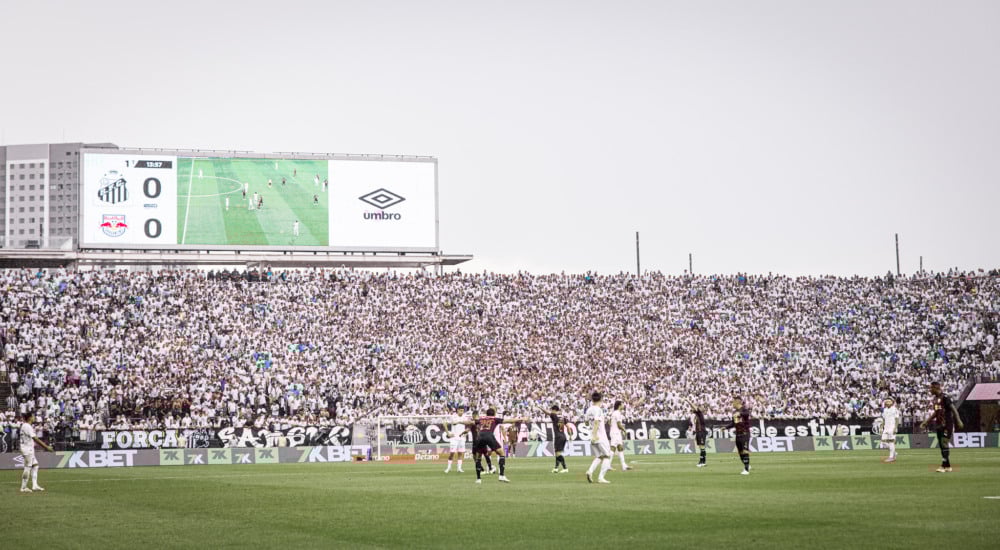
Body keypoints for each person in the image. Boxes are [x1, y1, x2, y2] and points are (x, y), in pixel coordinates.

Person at [471, 407, 526, 484]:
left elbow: (470, 422)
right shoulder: (494, 419)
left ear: (486, 414)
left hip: (480, 437)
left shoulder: (481, 419)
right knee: (502, 453)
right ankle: (501, 475)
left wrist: (457, 422)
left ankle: (478, 479)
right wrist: (520, 419)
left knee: (478, 457)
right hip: (489, 436)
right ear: (494, 414)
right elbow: (508, 420)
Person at [920, 381, 964, 473]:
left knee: (944, 442)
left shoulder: (945, 397)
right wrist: (926, 422)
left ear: (936, 388)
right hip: (939, 424)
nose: (930, 390)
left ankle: (943, 466)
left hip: (947, 424)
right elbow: (936, 413)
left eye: (931, 388)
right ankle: (948, 466)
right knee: (941, 445)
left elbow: (953, 409)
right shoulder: (936, 399)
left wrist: (958, 420)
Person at [19, 412, 53, 493]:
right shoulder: (27, 426)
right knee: (27, 467)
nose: (34, 418)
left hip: (28, 448)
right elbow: (35, 438)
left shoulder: (26, 426)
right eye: (33, 416)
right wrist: (46, 447)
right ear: (30, 418)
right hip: (27, 449)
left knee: (35, 466)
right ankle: (23, 488)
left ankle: (34, 486)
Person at [585, 391, 612, 484]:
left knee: (599, 456)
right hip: (599, 437)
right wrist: (595, 434)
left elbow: (586, 423)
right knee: (607, 456)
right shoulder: (598, 410)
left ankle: (590, 471)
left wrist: (592, 434)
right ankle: (601, 478)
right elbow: (596, 422)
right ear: (601, 399)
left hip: (591, 437)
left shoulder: (588, 410)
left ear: (592, 399)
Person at [538, 404, 568, 473]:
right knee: (557, 453)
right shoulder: (562, 417)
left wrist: (540, 407)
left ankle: (565, 468)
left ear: (554, 410)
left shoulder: (554, 415)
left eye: (552, 410)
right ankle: (556, 468)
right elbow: (568, 426)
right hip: (563, 436)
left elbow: (547, 413)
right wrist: (570, 434)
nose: (551, 411)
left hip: (558, 436)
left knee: (558, 454)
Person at [725, 396, 751, 475]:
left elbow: (747, 414)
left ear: (737, 402)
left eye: (733, 402)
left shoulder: (744, 409)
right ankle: (747, 464)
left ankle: (746, 469)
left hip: (745, 433)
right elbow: (733, 423)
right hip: (738, 434)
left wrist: (740, 413)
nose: (732, 403)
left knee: (745, 451)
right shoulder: (734, 412)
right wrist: (725, 427)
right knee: (740, 452)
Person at [443, 405, 467, 473]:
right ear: (457, 410)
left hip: (462, 438)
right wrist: (448, 433)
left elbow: (469, 424)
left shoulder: (465, 417)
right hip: (454, 438)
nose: (462, 412)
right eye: (461, 410)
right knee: (452, 453)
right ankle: (449, 468)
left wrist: (466, 432)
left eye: (463, 411)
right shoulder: (453, 416)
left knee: (460, 453)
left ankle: (459, 468)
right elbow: (444, 423)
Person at [609, 400, 630, 471]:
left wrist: (613, 426)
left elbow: (609, 422)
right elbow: (618, 424)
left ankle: (624, 466)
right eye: (622, 404)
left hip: (615, 432)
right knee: (613, 448)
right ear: (619, 405)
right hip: (615, 432)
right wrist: (624, 430)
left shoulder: (614, 413)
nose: (623, 405)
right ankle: (607, 465)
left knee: (620, 448)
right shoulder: (617, 413)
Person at [879, 398, 900, 463]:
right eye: (886, 403)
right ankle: (894, 452)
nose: (887, 403)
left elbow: (897, 419)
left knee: (891, 442)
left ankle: (891, 457)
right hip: (886, 428)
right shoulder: (885, 410)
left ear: (891, 403)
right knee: (883, 442)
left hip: (892, 427)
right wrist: (881, 427)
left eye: (888, 402)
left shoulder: (895, 409)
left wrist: (895, 428)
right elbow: (884, 419)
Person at [689, 401, 708, 468]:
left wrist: (688, 401)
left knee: (702, 447)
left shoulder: (700, 413)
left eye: (701, 407)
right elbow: (693, 408)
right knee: (701, 447)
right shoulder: (697, 415)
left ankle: (701, 462)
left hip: (701, 432)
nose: (699, 407)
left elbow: (693, 407)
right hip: (698, 432)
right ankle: (703, 462)